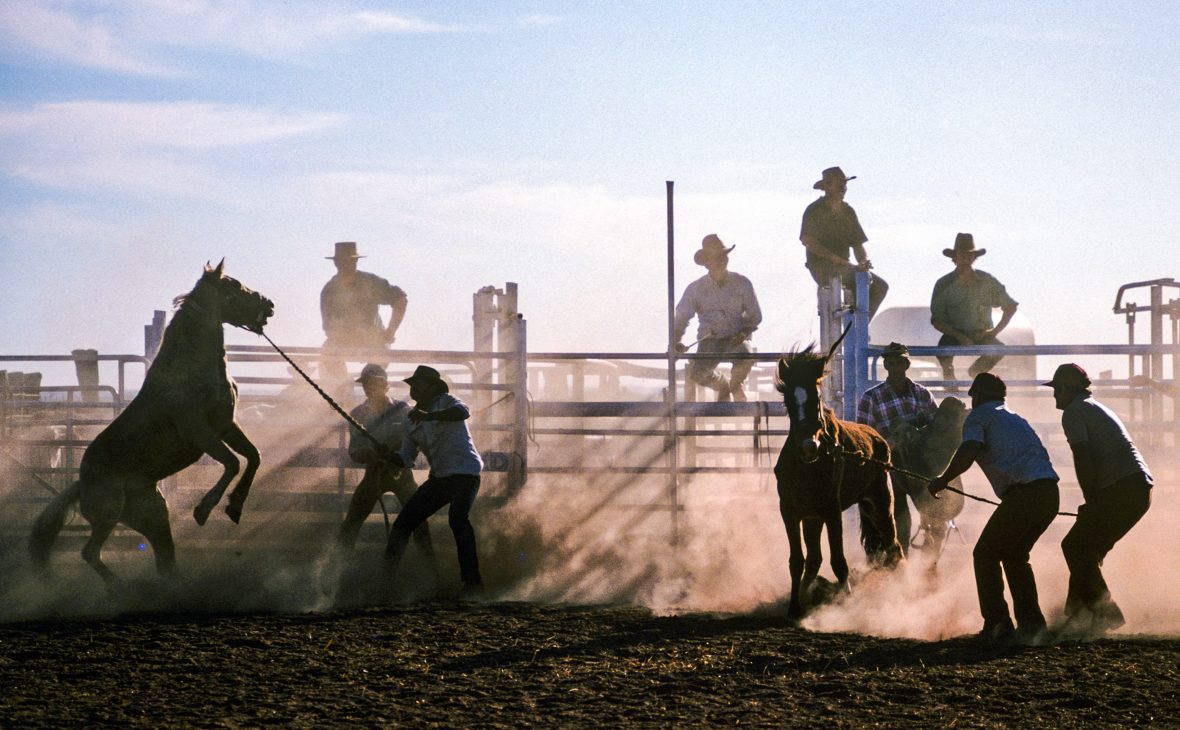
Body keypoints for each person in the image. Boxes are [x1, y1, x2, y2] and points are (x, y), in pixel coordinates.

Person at [927, 373, 1060, 645]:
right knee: (1015, 555)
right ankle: (1032, 625)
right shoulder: (1014, 418)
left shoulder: (978, 417)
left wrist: (943, 479)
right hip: (1048, 494)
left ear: (976, 395)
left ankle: (998, 624)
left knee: (986, 554)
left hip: (1024, 494)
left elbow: (970, 449)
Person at [1044, 364, 1153, 634]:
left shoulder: (1073, 412)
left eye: (1057, 389)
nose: (1054, 396)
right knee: (1086, 549)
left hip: (1122, 488)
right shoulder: (1093, 407)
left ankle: (1105, 613)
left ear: (1067, 389)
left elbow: (1083, 456)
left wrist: (1090, 497)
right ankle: (1077, 615)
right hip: (1137, 488)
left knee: (1075, 546)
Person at [384, 365, 485, 595]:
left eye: (419, 384)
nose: (414, 388)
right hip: (440, 478)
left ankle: (473, 582)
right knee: (402, 525)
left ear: (431, 387)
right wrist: (388, 455)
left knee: (458, 520)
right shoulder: (411, 422)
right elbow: (406, 458)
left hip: (465, 473)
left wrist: (428, 416)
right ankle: (386, 580)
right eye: (413, 385)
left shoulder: (448, 402)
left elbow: (463, 413)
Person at [336, 364, 437, 577]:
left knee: (420, 523)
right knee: (351, 523)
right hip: (373, 474)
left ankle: (431, 572)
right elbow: (354, 451)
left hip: (402, 474)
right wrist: (369, 454)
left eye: (373, 383)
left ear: (385, 385)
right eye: (366, 384)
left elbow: (417, 439)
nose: (369, 388)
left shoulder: (405, 410)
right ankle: (338, 571)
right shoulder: (356, 415)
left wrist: (395, 450)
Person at [855, 342, 938, 553]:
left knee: (932, 515)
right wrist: (890, 442)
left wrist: (916, 434)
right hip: (890, 465)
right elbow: (864, 436)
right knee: (899, 517)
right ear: (886, 365)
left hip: (920, 463)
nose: (894, 367)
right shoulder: (871, 397)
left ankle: (930, 565)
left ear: (906, 364)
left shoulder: (922, 394)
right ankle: (901, 565)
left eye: (898, 362)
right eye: (890, 363)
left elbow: (936, 428)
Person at [673, 234, 762, 402]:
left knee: (746, 355)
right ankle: (722, 385)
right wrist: (676, 341)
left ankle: (736, 385)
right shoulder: (695, 289)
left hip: (736, 338)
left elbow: (755, 316)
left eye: (724, 255)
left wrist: (743, 333)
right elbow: (681, 317)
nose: (722, 259)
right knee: (698, 374)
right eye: (717, 257)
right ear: (706, 263)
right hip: (709, 340)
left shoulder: (742, 283)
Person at [800, 166, 889, 319]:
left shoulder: (848, 212)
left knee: (879, 285)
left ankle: (859, 327)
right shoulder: (814, 210)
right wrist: (835, 259)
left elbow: (858, 244)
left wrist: (863, 262)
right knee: (855, 278)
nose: (843, 188)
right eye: (839, 184)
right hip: (822, 267)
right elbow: (808, 241)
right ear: (827, 186)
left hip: (844, 267)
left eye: (844, 184)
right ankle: (851, 324)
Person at [930, 233, 1018, 383]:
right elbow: (937, 321)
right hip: (953, 334)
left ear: (974, 257)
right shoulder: (943, 284)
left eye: (969, 255)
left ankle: (976, 372)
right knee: (943, 350)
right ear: (955, 257)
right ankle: (950, 380)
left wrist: (993, 332)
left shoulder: (987, 281)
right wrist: (960, 336)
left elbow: (1010, 307)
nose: (965, 259)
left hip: (982, 333)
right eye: (962, 254)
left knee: (999, 349)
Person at [320, 241, 408, 379]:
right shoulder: (330, 290)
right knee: (327, 353)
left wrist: (391, 330)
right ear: (336, 263)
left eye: (349, 261)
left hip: (374, 340)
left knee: (377, 369)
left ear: (355, 262)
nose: (346, 265)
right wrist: (343, 337)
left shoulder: (371, 283)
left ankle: (372, 391)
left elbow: (401, 299)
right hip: (343, 340)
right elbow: (328, 328)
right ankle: (343, 390)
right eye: (342, 261)